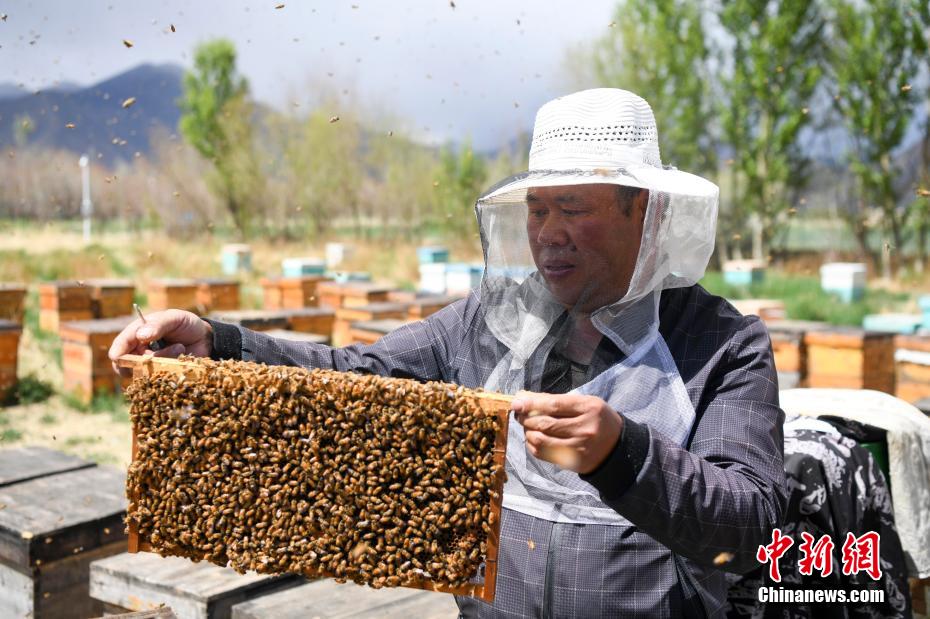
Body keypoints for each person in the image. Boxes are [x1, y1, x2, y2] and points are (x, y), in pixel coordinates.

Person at [110, 88, 785, 618]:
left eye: (573, 207)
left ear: (646, 211)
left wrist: (624, 454)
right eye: (537, 210)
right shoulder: (490, 320)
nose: (549, 233)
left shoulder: (723, 344)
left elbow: (752, 524)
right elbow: (360, 375)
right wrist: (221, 345)